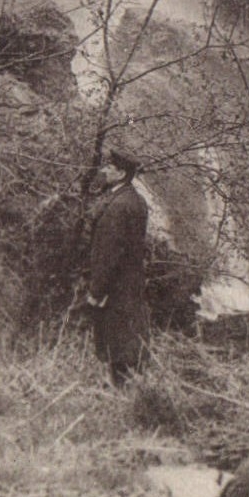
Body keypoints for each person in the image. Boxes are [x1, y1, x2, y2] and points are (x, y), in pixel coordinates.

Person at [86, 148, 150, 385]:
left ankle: (121, 394)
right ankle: (130, 394)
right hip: (131, 285)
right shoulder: (137, 201)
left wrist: (96, 291)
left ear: (121, 173)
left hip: (114, 288)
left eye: (109, 168)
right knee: (128, 341)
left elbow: (108, 253)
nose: (103, 170)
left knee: (115, 343)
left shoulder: (117, 206)